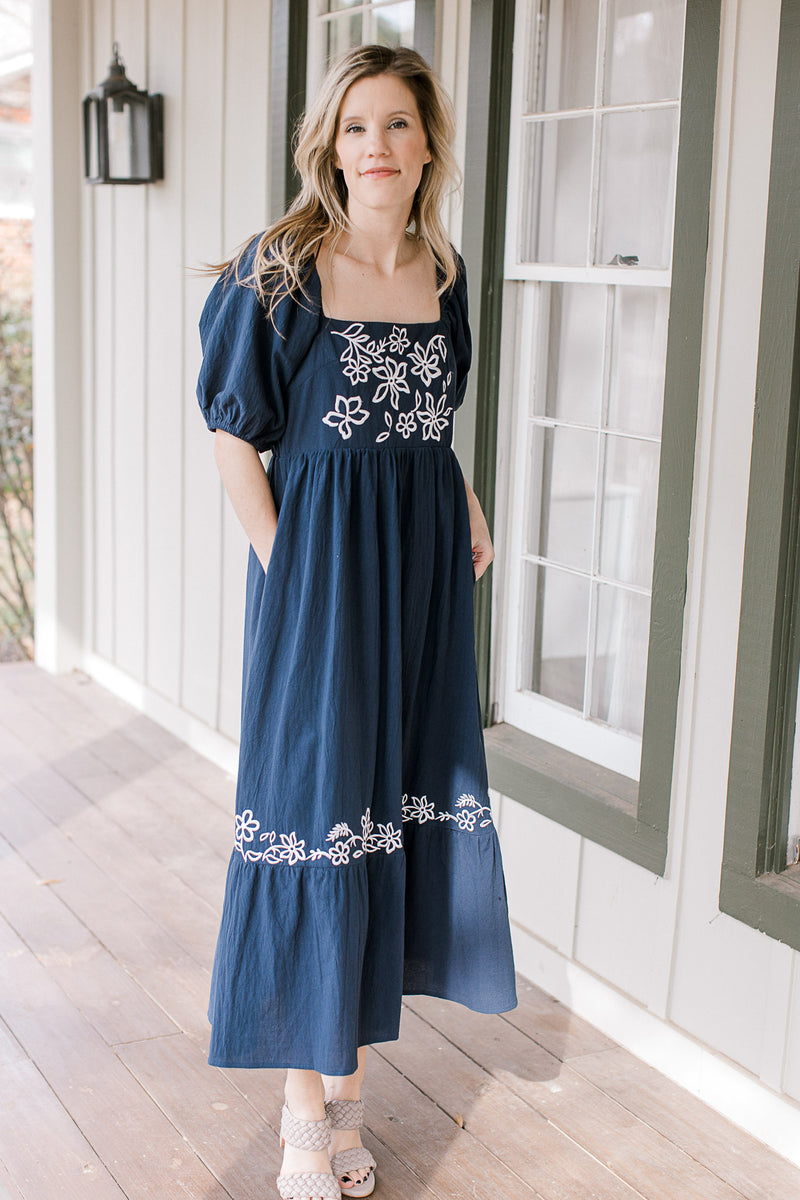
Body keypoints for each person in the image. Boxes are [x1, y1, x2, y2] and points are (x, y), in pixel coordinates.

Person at [196, 43, 517, 1200]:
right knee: (315, 809)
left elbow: (427, 421)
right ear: (328, 146)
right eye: (353, 128)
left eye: (394, 124)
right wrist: (287, 570)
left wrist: (465, 496)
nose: (374, 147)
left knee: (386, 806)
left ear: (428, 139)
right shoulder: (279, 270)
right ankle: (298, 1114)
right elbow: (236, 437)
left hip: (421, 574)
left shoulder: (443, 266)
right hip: (321, 577)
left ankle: (354, 1096)